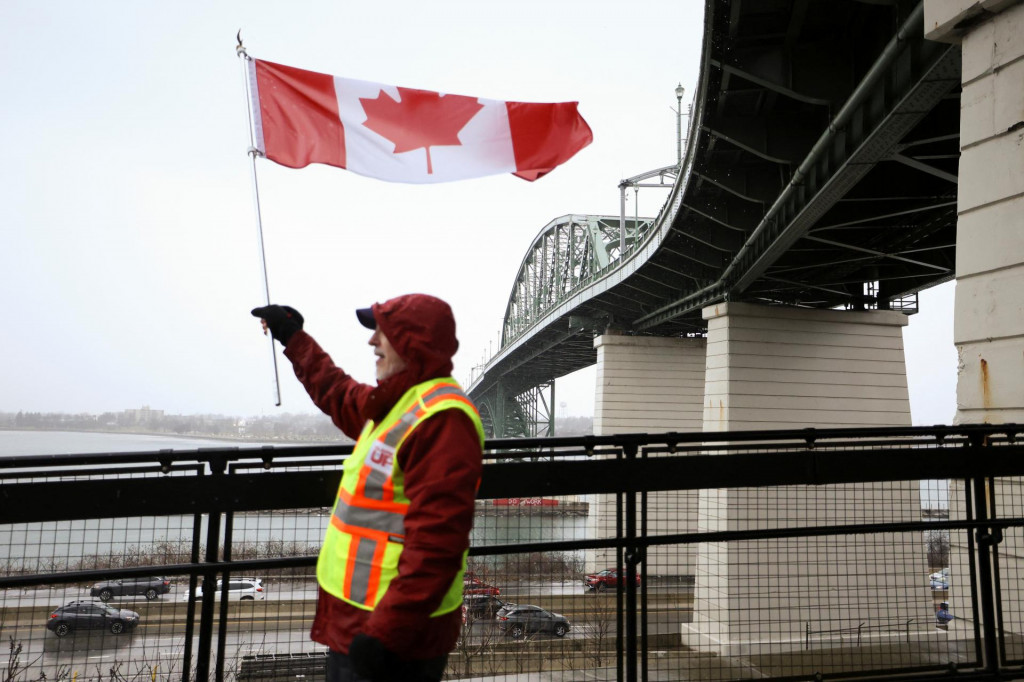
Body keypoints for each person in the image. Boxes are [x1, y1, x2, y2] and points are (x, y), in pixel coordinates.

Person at [252, 295, 484, 682]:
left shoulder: (442, 420)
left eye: (382, 332)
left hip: (392, 635)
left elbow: (437, 544)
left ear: (412, 344)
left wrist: (387, 633)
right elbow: (337, 392)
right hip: (361, 622)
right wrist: (293, 337)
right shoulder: (402, 403)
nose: (372, 341)